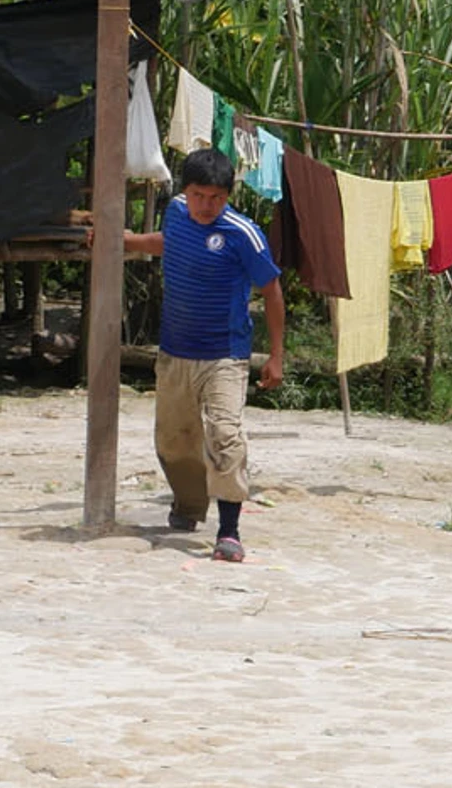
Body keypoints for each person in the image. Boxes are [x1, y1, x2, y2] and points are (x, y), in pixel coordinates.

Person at [116, 149, 286, 563]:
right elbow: (167, 243)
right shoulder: (176, 213)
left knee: (225, 436)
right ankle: (190, 506)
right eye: (198, 195)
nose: (206, 205)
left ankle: (229, 531)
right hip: (175, 351)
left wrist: (276, 355)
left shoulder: (243, 234)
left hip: (224, 355)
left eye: (216, 198)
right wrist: (128, 242)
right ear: (184, 191)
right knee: (174, 441)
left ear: (228, 196)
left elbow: (272, 290)